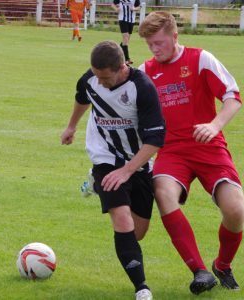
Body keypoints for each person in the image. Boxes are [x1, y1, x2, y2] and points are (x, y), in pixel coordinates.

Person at [138, 11, 244, 295]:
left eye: (159, 42)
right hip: (171, 150)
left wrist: (214, 125)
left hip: (209, 147)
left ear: (175, 36)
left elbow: (233, 97)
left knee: (235, 211)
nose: (154, 49)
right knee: (163, 191)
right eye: (150, 44)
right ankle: (199, 271)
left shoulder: (200, 59)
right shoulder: (145, 72)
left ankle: (222, 265)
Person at [61, 40, 165, 300]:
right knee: (122, 219)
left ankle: (96, 185)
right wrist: (72, 126)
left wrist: (128, 170)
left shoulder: (142, 88)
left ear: (122, 67)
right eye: (96, 76)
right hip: (105, 156)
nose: (100, 82)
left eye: (105, 78)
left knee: (136, 234)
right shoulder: (91, 79)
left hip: (138, 161)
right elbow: (81, 98)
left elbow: (154, 141)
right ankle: (142, 288)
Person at [111, 0, 140, 65]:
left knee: (126, 40)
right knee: (125, 38)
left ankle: (115, 53)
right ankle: (127, 59)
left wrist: (134, 9)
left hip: (131, 20)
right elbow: (113, 4)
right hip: (122, 19)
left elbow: (138, 7)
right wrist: (116, 9)